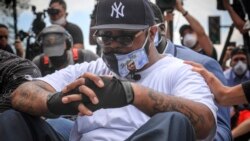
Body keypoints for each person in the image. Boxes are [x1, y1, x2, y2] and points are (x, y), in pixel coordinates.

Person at [13, 0, 217, 140]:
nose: (115, 45)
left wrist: (131, 93)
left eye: (125, 37)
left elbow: (205, 123)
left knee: (174, 120)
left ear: (152, 33)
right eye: (106, 37)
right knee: (14, 120)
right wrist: (55, 102)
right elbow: (21, 93)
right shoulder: (92, 68)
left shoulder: (180, 71)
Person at [149, 2, 232, 141]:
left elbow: (221, 130)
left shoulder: (205, 62)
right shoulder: (125, 67)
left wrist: (182, 10)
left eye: (190, 32)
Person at [0, 50, 64, 141]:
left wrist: (57, 102)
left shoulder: (19, 66)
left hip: (64, 121)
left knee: (11, 118)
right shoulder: (39, 61)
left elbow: (24, 91)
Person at [33, 25, 98, 76]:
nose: (55, 56)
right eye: (51, 52)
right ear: (42, 48)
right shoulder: (38, 63)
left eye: (57, 49)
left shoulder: (85, 56)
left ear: (67, 44)